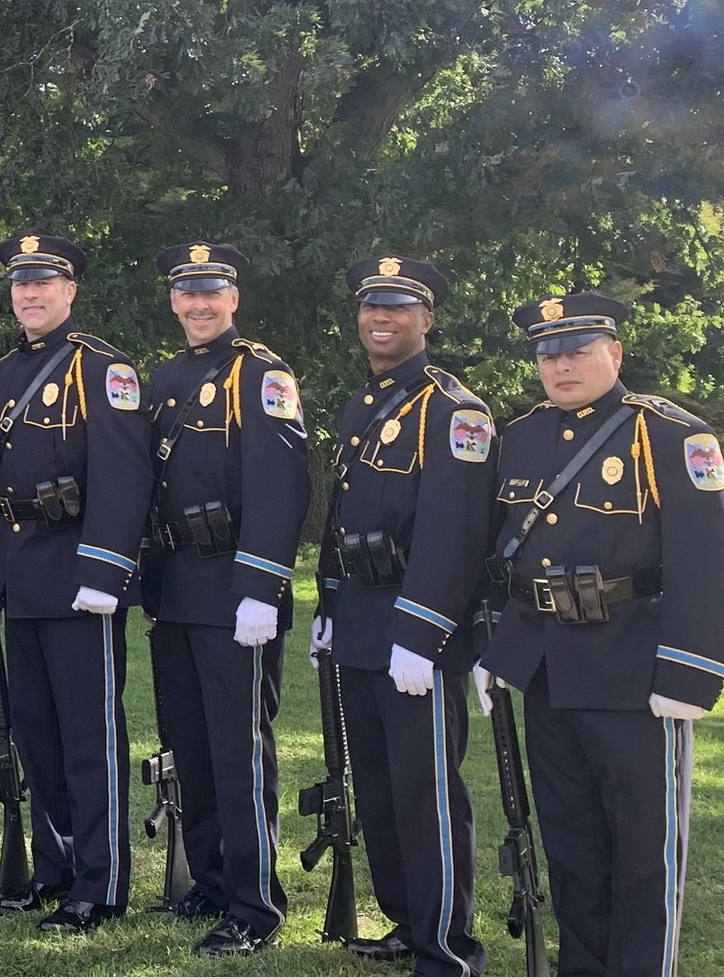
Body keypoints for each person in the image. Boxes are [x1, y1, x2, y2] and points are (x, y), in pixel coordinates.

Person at [480, 292, 722, 977]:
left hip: (635, 671)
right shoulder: (520, 437)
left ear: (614, 353)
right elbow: (505, 556)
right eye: (547, 353)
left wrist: (688, 675)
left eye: (577, 350)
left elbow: (706, 559)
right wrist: (496, 648)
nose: (560, 365)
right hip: (548, 670)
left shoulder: (673, 435)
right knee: (572, 843)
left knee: (645, 851)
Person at [312, 256, 490, 975]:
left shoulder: (455, 411)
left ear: (426, 319)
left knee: (426, 792)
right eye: (370, 307)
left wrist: (421, 634)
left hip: (416, 632)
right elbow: (341, 519)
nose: (379, 319)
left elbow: (456, 537)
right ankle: (407, 921)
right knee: (380, 786)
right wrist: (327, 604)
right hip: (359, 617)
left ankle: (448, 944)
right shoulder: (365, 404)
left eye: (396, 308)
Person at [0, 233, 151, 933]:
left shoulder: (103, 369)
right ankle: (54, 864)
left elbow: (124, 475)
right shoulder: (0, 375)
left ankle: (100, 884)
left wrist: (106, 572)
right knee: (37, 734)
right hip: (23, 577)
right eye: (21, 283)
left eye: (44, 282)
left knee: (89, 736)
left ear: (70, 289)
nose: (31, 293)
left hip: (81, 580)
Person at [140, 243, 308, 956]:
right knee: (194, 747)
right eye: (187, 293)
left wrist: (261, 588)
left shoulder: (262, 374)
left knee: (240, 754)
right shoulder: (165, 377)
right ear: (174, 301)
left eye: (212, 292)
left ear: (233, 298)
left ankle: (256, 902)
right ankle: (209, 881)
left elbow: (284, 487)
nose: (199, 304)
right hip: (175, 588)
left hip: (234, 593)